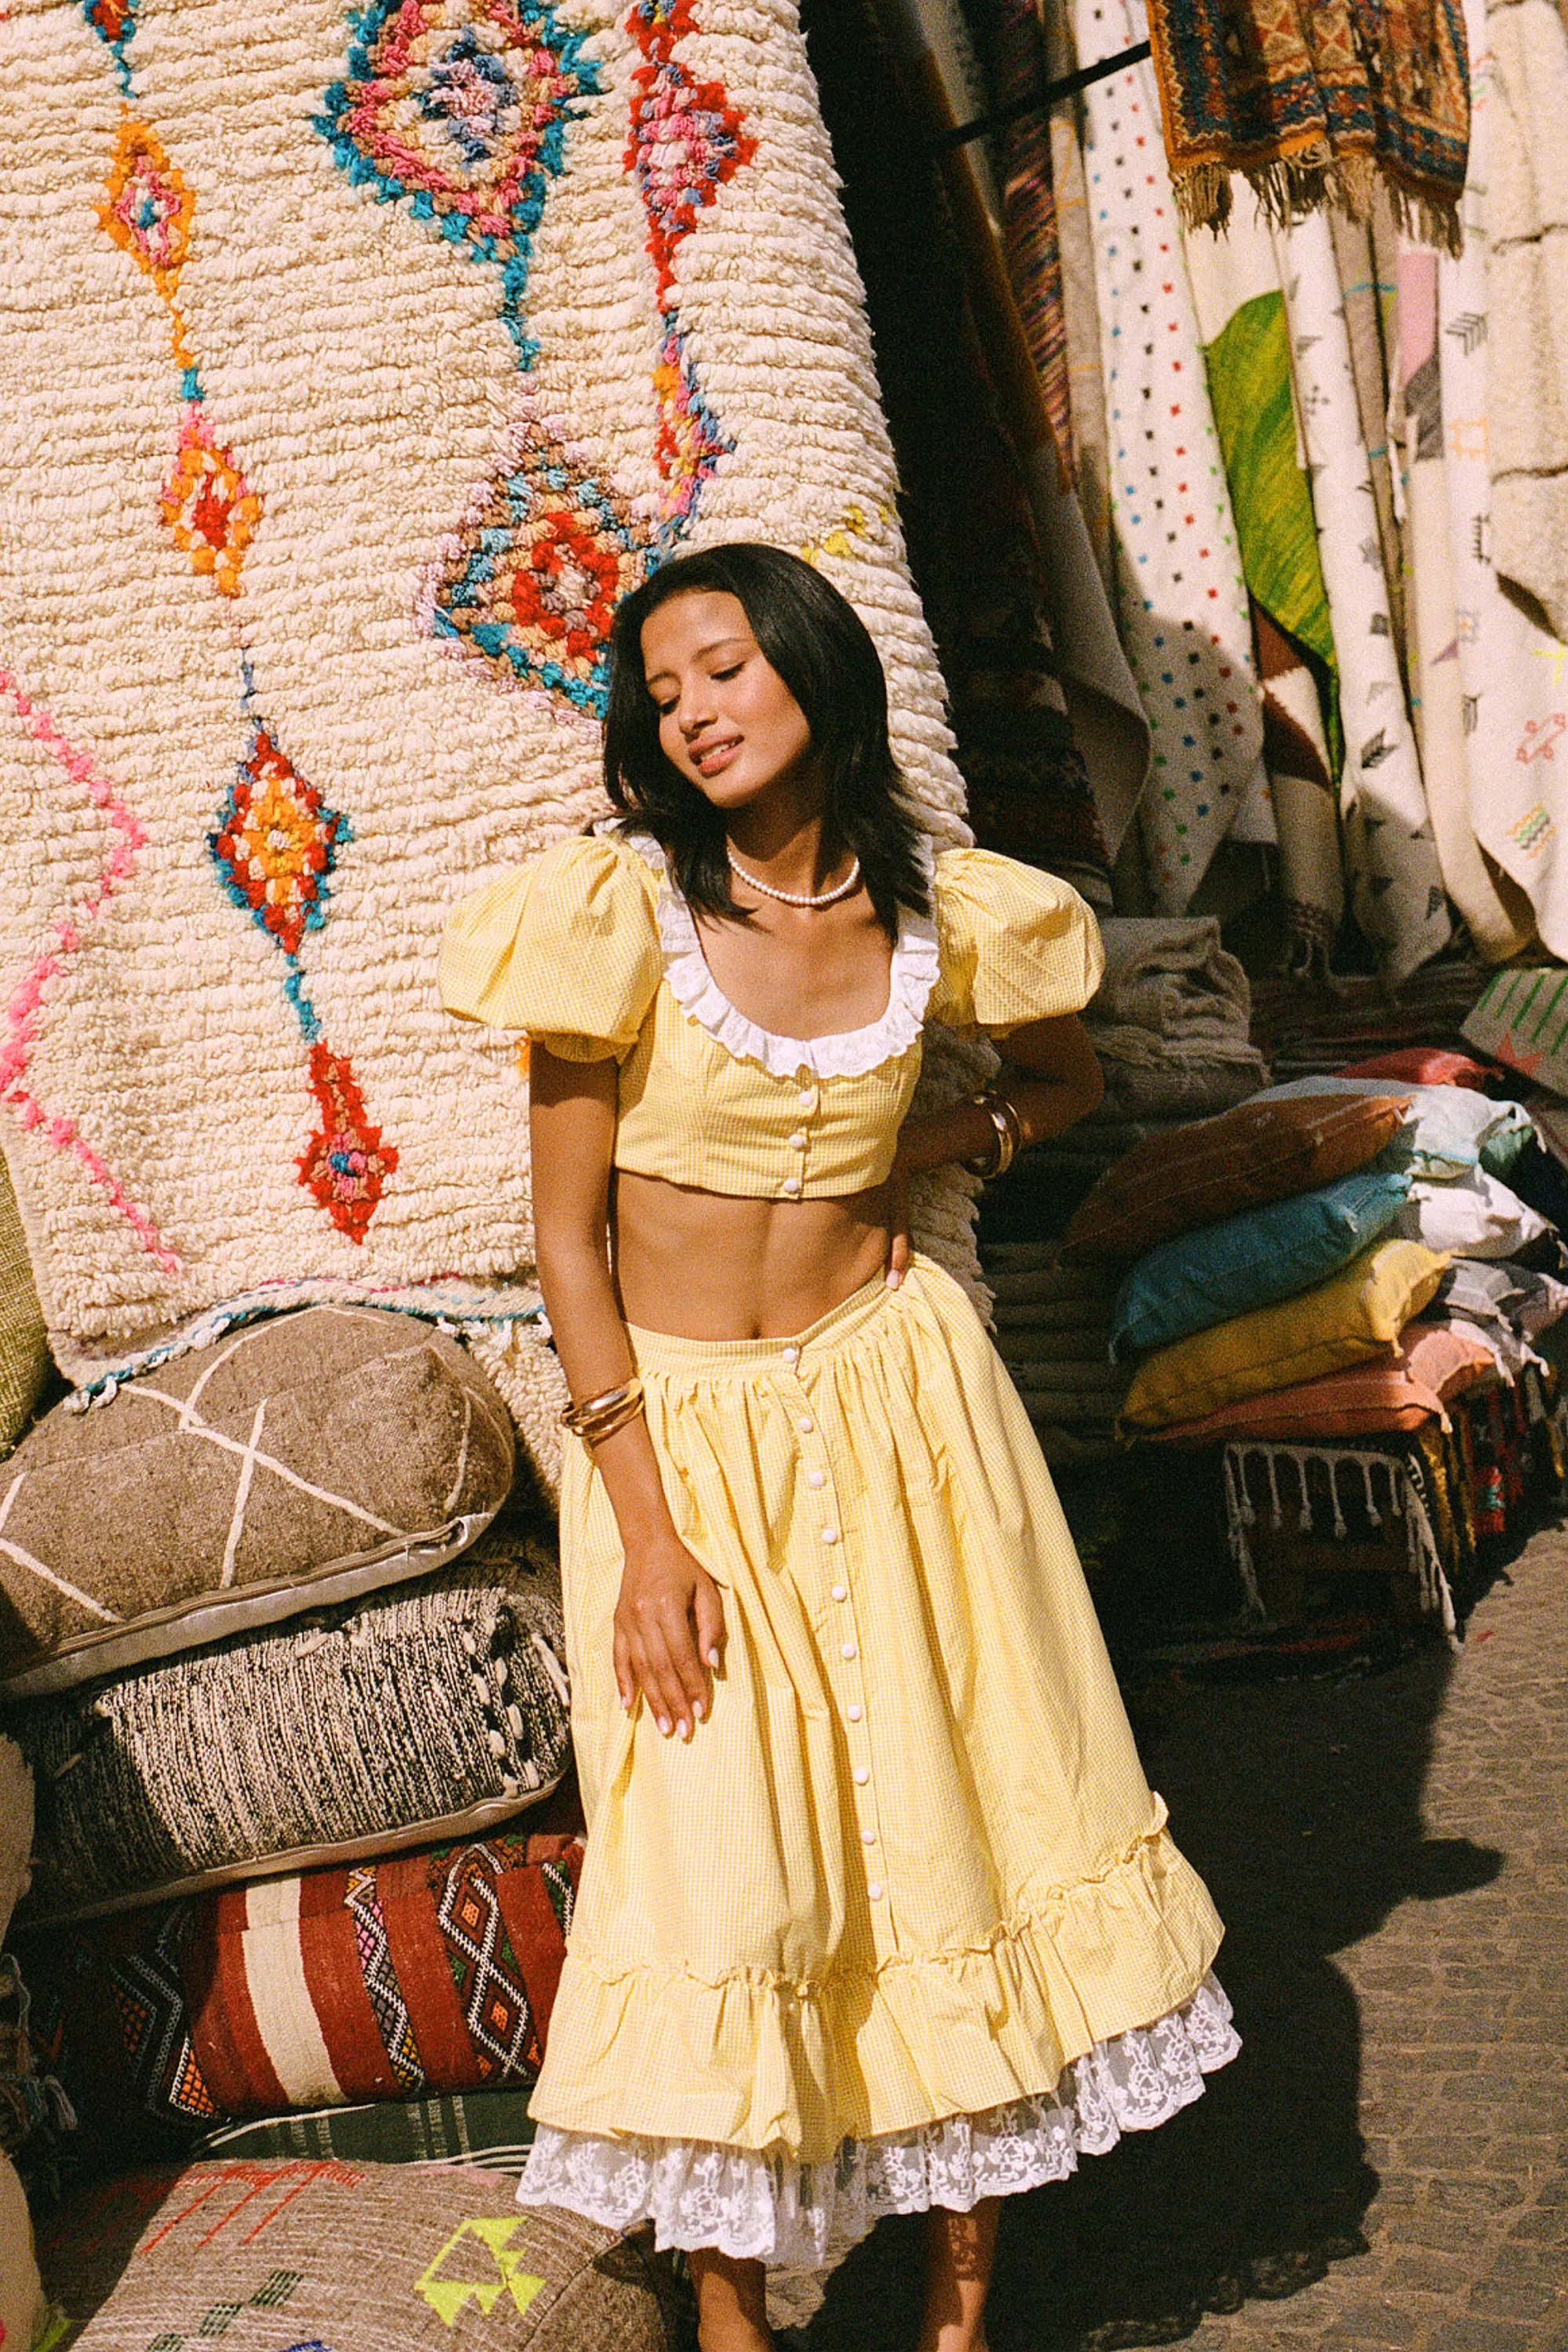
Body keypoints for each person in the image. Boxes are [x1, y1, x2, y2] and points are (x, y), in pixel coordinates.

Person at [439, 543, 1236, 2352]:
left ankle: (957, 2312)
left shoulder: (946, 912)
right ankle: (737, 2319)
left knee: (961, 1826)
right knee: (733, 1867)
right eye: (661, 692)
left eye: (723, 667)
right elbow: (570, 1246)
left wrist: (944, 1136)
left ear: (811, 672)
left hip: (904, 1408)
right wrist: (643, 1533)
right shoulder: (616, 917)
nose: (695, 711)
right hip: (688, 1443)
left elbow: (1070, 1083)